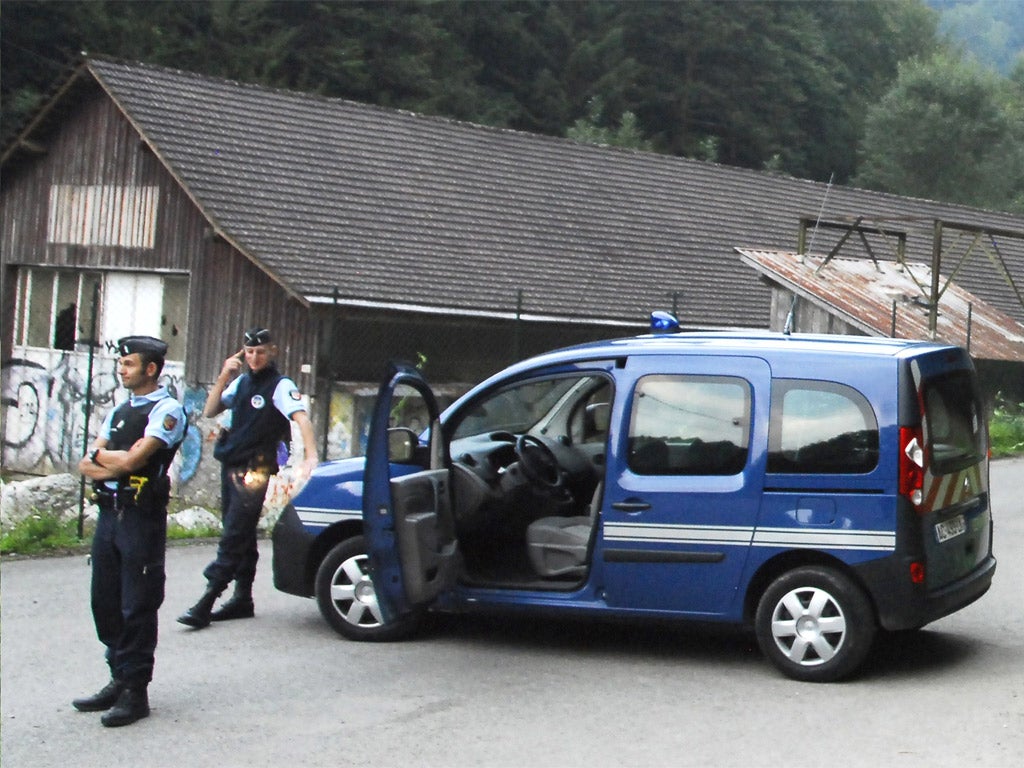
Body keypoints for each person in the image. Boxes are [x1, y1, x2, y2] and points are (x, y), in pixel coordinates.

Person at [74, 335, 186, 727]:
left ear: (150, 369)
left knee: (137, 604)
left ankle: (135, 691)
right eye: (121, 364)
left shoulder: (167, 410)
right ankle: (117, 677)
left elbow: (137, 459)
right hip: (109, 514)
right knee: (104, 601)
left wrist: (108, 460)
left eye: (129, 364)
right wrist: (112, 461)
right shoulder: (120, 410)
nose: (122, 369)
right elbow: (86, 463)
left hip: (141, 516)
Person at [178, 326, 317, 629]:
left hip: (256, 469)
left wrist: (311, 456)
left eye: (261, 352)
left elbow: (301, 419)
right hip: (232, 465)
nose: (254, 357)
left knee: (234, 534)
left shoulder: (280, 386)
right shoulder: (240, 383)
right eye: (250, 352)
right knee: (237, 529)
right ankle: (242, 597)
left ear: (273, 352)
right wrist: (224, 375)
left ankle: (207, 600)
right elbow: (211, 409)